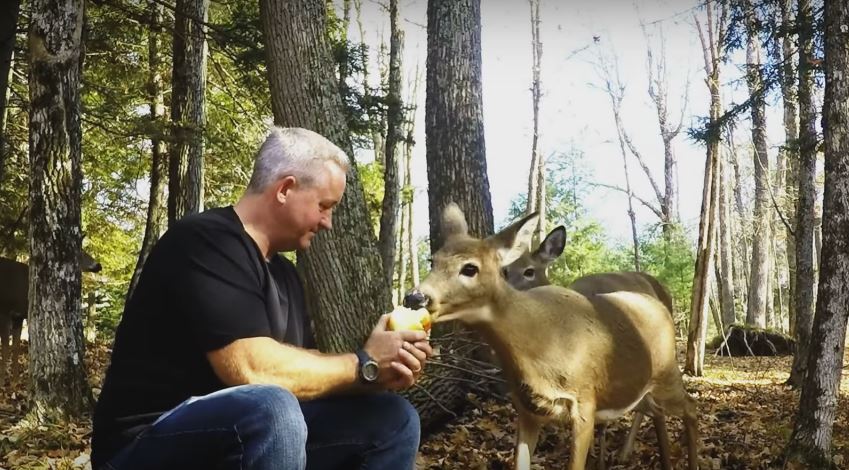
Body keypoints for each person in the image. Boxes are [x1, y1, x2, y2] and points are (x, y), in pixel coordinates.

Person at [92, 127, 433, 470]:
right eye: (324, 206)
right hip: (138, 450)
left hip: (236, 441)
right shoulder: (205, 242)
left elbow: (300, 370)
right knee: (272, 407)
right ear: (285, 189)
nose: (328, 222)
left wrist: (379, 374)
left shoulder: (285, 276)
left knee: (392, 420)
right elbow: (251, 369)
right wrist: (365, 365)